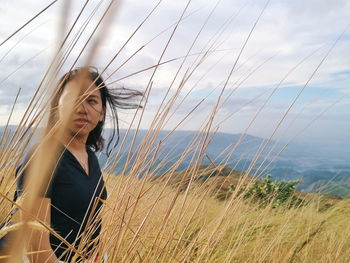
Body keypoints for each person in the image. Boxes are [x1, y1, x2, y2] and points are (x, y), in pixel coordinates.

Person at [14, 67, 142, 262]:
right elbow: (36, 251)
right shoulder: (42, 157)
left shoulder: (89, 156)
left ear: (101, 113)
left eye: (91, 101)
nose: (82, 108)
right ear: (57, 107)